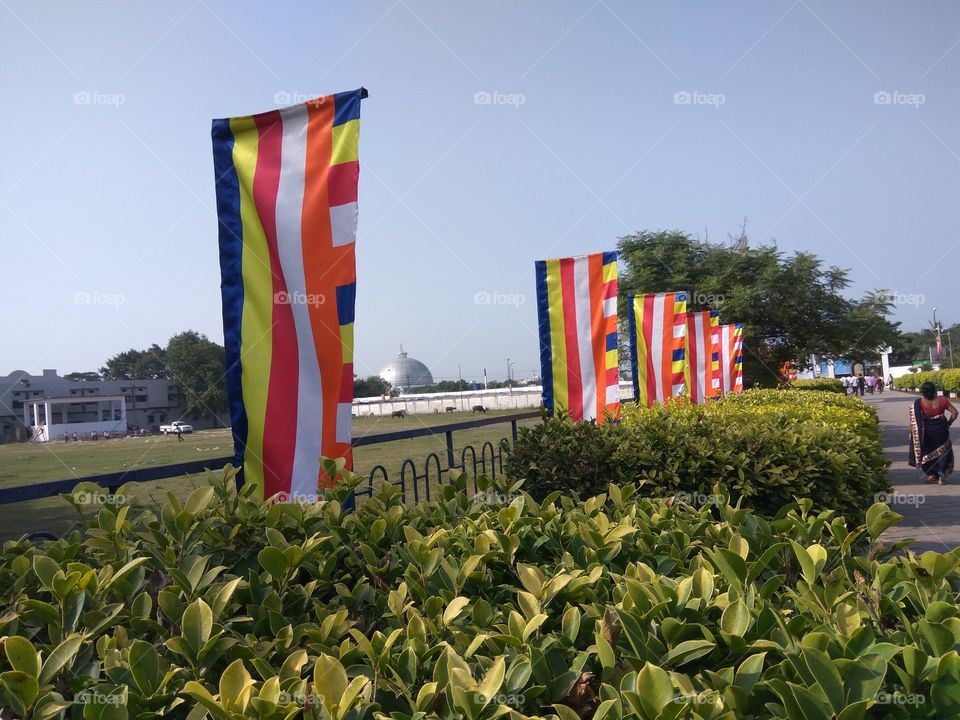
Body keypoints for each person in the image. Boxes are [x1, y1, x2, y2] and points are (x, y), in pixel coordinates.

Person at [909, 381, 957, 485]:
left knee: (926, 452)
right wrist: (949, 424)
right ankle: (941, 477)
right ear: (934, 390)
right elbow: (955, 412)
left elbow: (916, 421)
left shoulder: (920, 403)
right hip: (942, 431)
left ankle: (931, 474)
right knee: (943, 453)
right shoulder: (943, 400)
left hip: (928, 432)